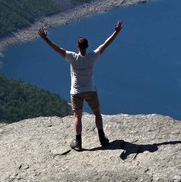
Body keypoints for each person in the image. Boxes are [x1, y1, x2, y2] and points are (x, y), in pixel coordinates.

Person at [38, 20, 123, 150]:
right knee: (97, 114)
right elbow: (106, 44)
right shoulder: (92, 57)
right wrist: (116, 32)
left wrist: (45, 39)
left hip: (76, 91)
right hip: (90, 90)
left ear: (78, 47)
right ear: (87, 46)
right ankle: (102, 139)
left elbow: (57, 49)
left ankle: (78, 142)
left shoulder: (72, 57)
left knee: (77, 116)